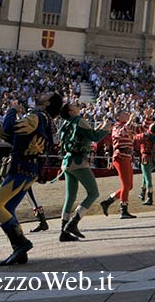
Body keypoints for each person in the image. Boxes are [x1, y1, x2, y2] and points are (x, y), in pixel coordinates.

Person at [0, 93, 62, 266]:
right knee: (8, 208)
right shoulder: (44, 120)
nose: (42, 93)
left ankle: (21, 243)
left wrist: (12, 109)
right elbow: (15, 138)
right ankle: (19, 251)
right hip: (30, 170)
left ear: (47, 102)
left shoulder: (36, 117)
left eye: (45, 95)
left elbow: (11, 129)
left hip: (20, 168)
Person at [57, 100, 111, 241]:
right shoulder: (79, 120)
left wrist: (98, 128)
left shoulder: (66, 123)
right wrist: (106, 128)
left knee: (70, 197)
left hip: (67, 161)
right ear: (70, 111)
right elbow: (95, 137)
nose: (76, 105)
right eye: (73, 105)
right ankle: (73, 222)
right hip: (79, 162)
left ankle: (63, 231)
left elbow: (86, 135)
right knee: (93, 193)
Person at [99, 110, 138, 219]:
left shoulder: (127, 126)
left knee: (129, 186)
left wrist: (148, 119)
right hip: (120, 156)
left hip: (126, 157)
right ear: (119, 117)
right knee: (126, 185)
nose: (127, 114)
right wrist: (129, 122)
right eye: (124, 114)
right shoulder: (116, 127)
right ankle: (123, 209)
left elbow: (142, 130)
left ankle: (108, 201)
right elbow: (121, 133)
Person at [134, 122, 155, 206]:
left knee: (148, 178)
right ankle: (142, 193)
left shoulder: (144, 136)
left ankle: (149, 198)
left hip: (146, 158)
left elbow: (135, 138)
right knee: (146, 175)